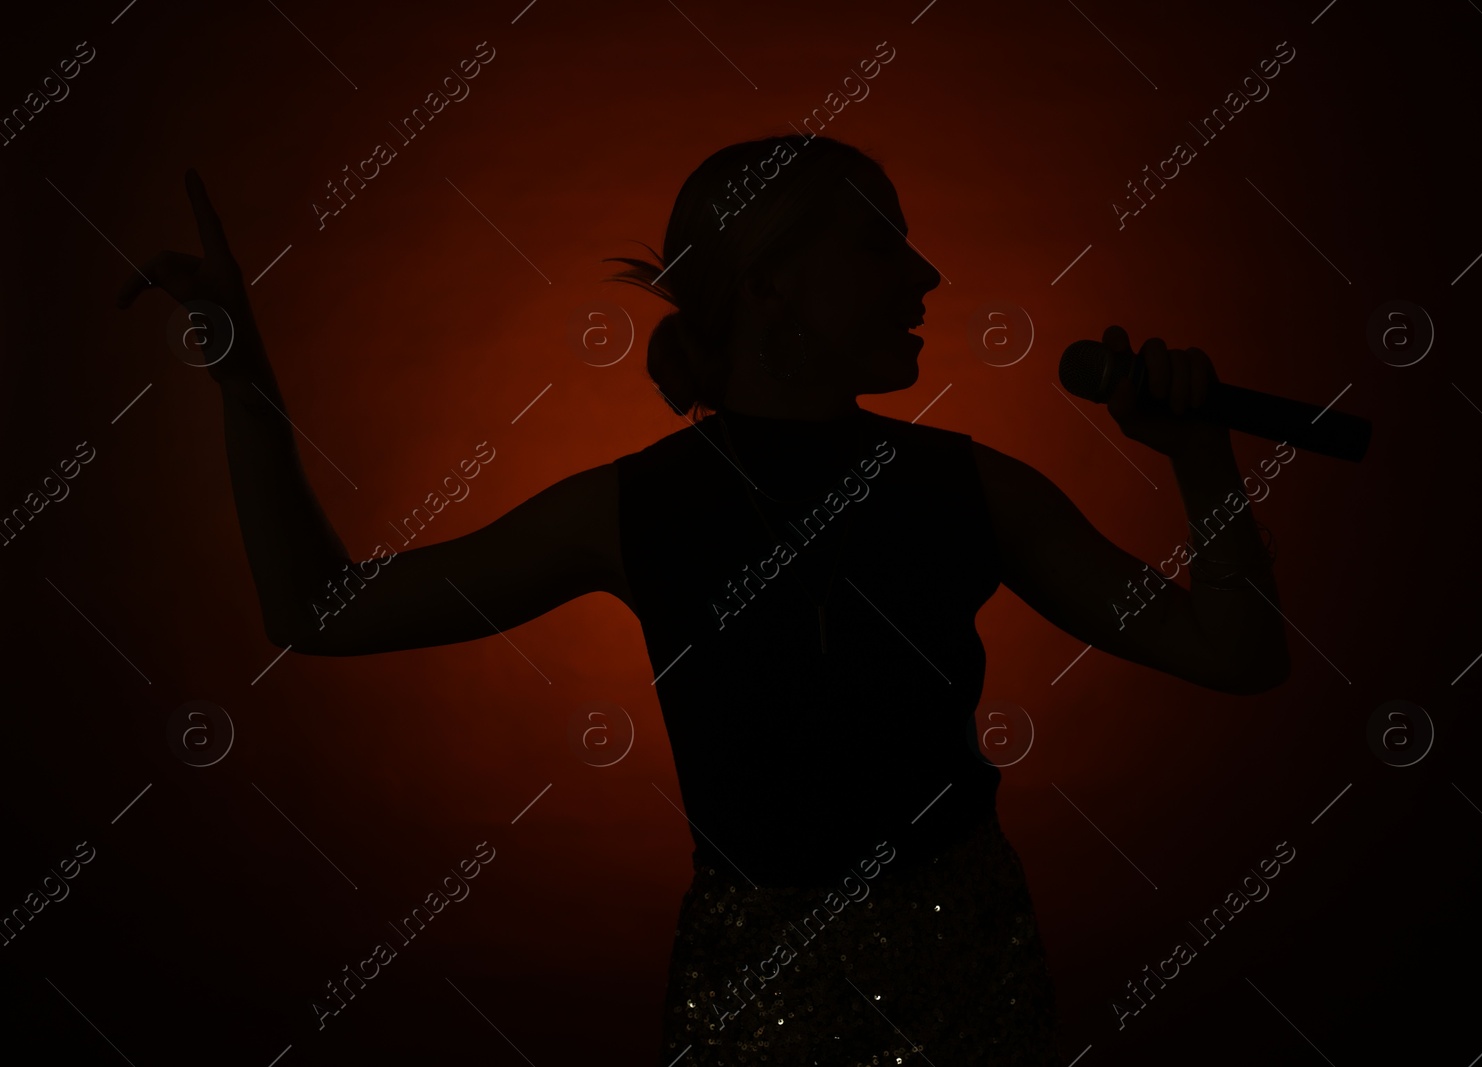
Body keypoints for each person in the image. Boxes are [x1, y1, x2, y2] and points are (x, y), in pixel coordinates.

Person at [117, 136, 1290, 1066]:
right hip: (749, 993)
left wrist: (1199, 456)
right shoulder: (632, 507)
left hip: (968, 978)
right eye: (882, 243)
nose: (927, 275)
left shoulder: (969, 486)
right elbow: (319, 612)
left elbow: (1235, 653)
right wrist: (242, 374)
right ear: (773, 280)